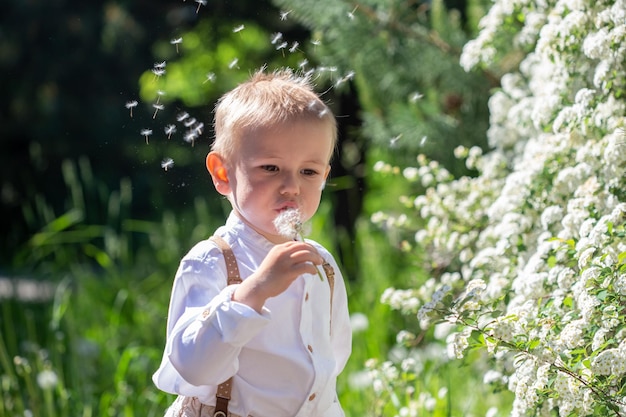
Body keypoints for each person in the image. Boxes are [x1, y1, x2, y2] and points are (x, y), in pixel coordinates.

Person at [153, 68, 352, 417]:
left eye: (308, 172)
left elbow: (329, 363)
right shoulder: (212, 260)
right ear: (223, 173)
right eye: (270, 168)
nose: (292, 186)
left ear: (324, 177)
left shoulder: (322, 265)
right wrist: (254, 291)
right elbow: (192, 366)